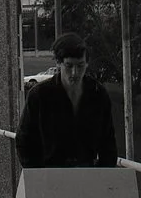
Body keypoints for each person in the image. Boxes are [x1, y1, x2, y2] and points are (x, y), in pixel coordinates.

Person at [15, 33, 117, 168]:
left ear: (87, 63)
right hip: (49, 176)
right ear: (58, 63)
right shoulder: (39, 95)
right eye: (69, 66)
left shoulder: (98, 94)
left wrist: (102, 176)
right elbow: (24, 140)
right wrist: (38, 176)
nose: (74, 73)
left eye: (80, 66)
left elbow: (108, 143)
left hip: (87, 176)